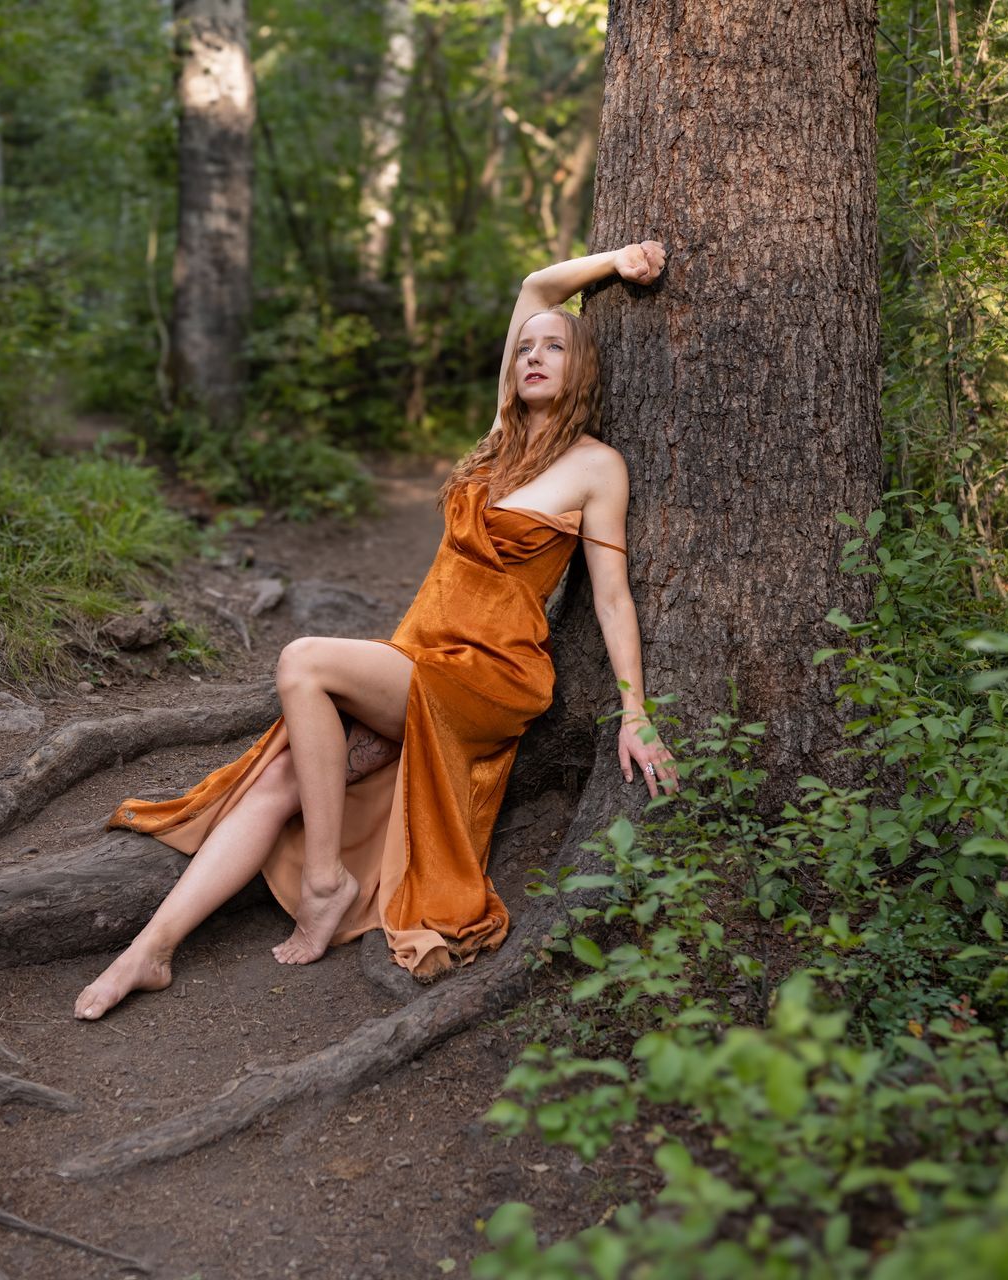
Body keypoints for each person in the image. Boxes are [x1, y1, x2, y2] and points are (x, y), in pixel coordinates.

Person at [74, 242, 680, 1021]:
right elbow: (534, 285)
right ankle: (148, 952)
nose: (533, 354)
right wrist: (614, 259)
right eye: (524, 347)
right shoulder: (499, 440)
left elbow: (612, 601)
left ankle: (325, 885)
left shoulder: (599, 467)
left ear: (582, 368)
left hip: (490, 678)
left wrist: (635, 711)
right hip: (418, 659)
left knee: (303, 661)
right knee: (279, 779)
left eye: (553, 347)